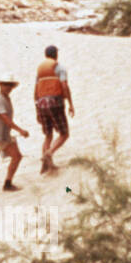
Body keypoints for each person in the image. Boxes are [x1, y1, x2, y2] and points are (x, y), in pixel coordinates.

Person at [34, 44, 74, 173]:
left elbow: (35, 91)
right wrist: (70, 104)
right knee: (64, 134)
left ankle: (46, 166)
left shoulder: (40, 71)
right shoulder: (60, 68)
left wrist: (37, 110)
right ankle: (49, 153)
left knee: (48, 135)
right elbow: (64, 86)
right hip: (55, 102)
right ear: (56, 54)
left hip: (41, 104)